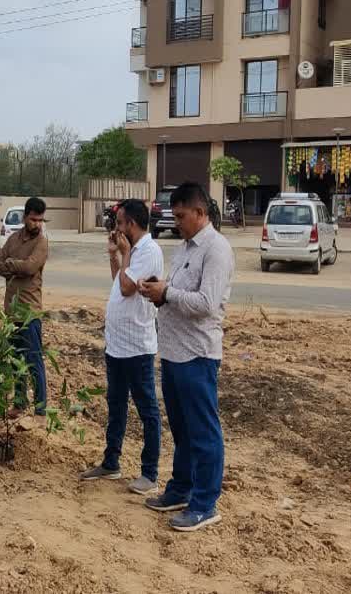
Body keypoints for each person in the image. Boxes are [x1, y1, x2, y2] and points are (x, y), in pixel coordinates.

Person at [138, 182, 234, 533]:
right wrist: (160, 291)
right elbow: (178, 292)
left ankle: (205, 504)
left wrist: (168, 292)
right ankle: (181, 489)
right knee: (182, 429)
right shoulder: (185, 248)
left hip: (197, 354)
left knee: (204, 432)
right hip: (174, 353)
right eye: (173, 215)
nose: (176, 222)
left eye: (180, 216)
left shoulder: (216, 250)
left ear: (200, 212)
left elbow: (206, 305)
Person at [80, 199, 163, 495]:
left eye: (120, 223)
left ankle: (150, 473)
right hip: (118, 344)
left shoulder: (149, 251)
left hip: (137, 346)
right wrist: (114, 256)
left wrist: (125, 253)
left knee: (147, 410)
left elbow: (129, 289)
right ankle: (111, 461)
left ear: (132, 224)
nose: (117, 229)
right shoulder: (133, 252)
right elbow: (119, 281)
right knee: (115, 405)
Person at [0, 197, 50, 415]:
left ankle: (40, 409)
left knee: (33, 360)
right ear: (25, 217)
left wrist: (12, 265)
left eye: (40, 220)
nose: (37, 224)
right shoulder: (13, 239)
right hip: (12, 311)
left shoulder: (42, 243)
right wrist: (16, 266)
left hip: (30, 313)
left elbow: (30, 267)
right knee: (16, 359)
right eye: (34, 219)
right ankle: (19, 403)